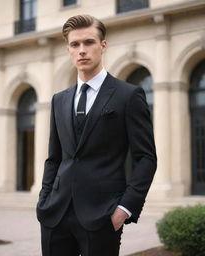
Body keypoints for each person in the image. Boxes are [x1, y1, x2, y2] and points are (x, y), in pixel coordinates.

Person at [36, 14, 157, 256]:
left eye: (89, 42)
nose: (82, 50)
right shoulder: (59, 100)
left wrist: (124, 208)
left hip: (103, 215)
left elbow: (146, 158)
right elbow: (54, 158)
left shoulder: (128, 95)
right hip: (55, 215)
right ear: (68, 49)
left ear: (103, 46)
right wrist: (44, 201)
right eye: (75, 44)